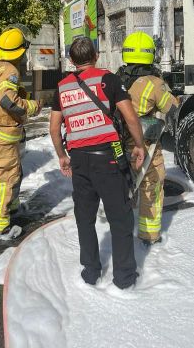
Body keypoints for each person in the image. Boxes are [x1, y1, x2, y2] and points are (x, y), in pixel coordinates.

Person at [49, 36, 145, 289]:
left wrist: (62, 155)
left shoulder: (62, 87)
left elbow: (54, 127)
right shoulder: (108, 80)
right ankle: (124, 278)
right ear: (96, 56)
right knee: (120, 218)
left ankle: (90, 272)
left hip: (79, 159)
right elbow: (130, 117)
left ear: (71, 61)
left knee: (85, 217)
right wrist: (139, 144)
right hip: (109, 156)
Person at [0, 27, 41, 242]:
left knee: (12, 174)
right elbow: (8, 101)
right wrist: (32, 106)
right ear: (19, 52)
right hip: (0, 136)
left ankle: (11, 208)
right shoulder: (9, 71)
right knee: (3, 180)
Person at [117, 31, 178, 247]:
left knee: (122, 185)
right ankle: (149, 235)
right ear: (150, 54)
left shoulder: (115, 79)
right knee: (152, 185)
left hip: (117, 144)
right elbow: (172, 109)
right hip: (145, 145)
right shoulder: (154, 82)